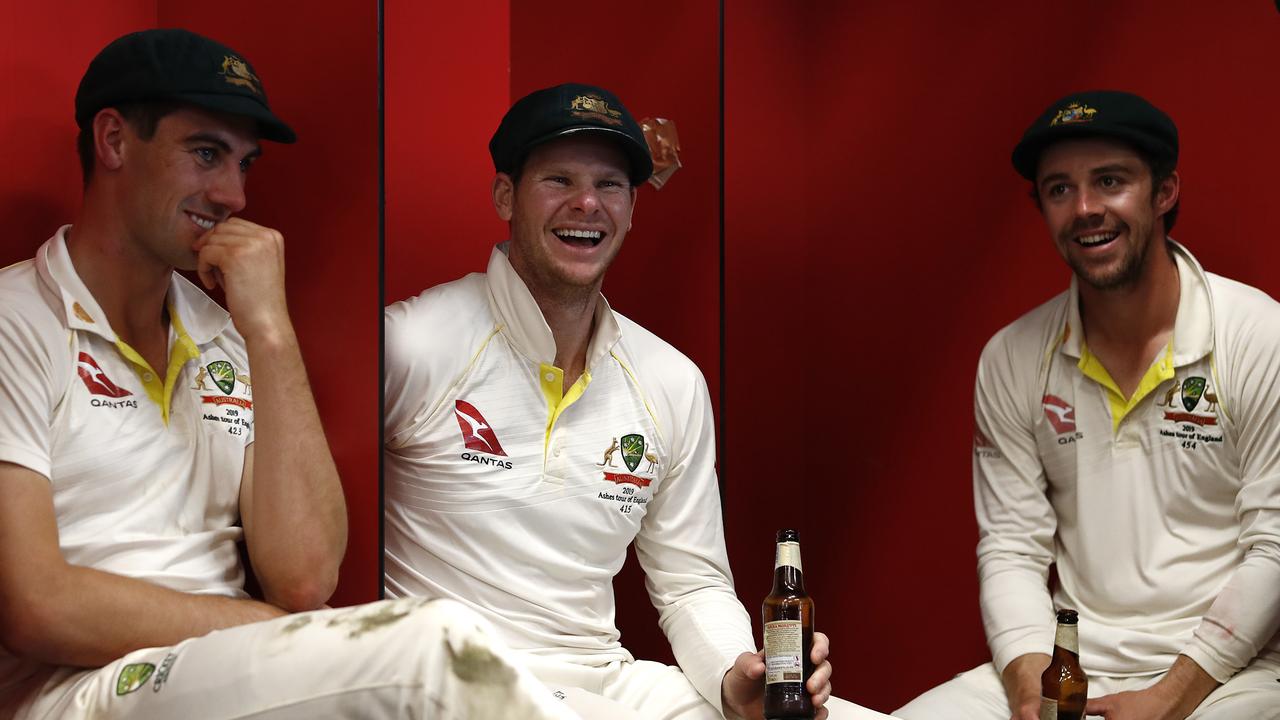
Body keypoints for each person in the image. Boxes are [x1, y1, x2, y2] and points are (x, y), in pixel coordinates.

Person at [0, 29, 572, 720]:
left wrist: (269, 331)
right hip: (78, 688)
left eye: (244, 164)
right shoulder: (15, 318)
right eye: (206, 154)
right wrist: (258, 627)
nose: (234, 194)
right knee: (435, 645)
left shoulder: (226, 335)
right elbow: (34, 604)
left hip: (219, 670)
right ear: (114, 140)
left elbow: (303, 578)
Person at [384, 82, 887, 720]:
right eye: (559, 180)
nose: (587, 203)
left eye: (611, 185)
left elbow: (691, 582)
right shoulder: (411, 343)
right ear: (505, 196)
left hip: (603, 683)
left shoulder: (670, 380)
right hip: (452, 681)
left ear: (631, 210)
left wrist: (740, 681)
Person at [896, 90, 1280, 719]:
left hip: (1231, 678)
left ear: (1164, 192)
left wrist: (1169, 699)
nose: (1086, 209)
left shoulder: (1260, 336)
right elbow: (1012, 550)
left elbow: (1275, 546)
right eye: (1059, 190)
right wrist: (1030, 692)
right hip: (1068, 664)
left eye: (1110, 181)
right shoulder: (1013, 357)